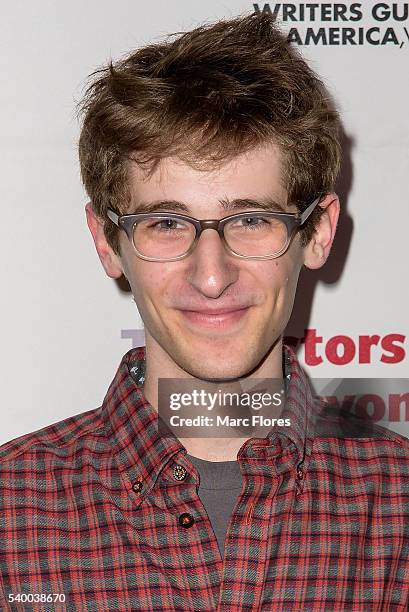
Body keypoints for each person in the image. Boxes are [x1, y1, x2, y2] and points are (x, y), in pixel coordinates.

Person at [0, 13, 408, 611]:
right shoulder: (11, 511)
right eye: (165, 223)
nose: (212, 276)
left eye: (250, 219)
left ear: (317, 232)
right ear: (106, 241)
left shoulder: (398, 507)